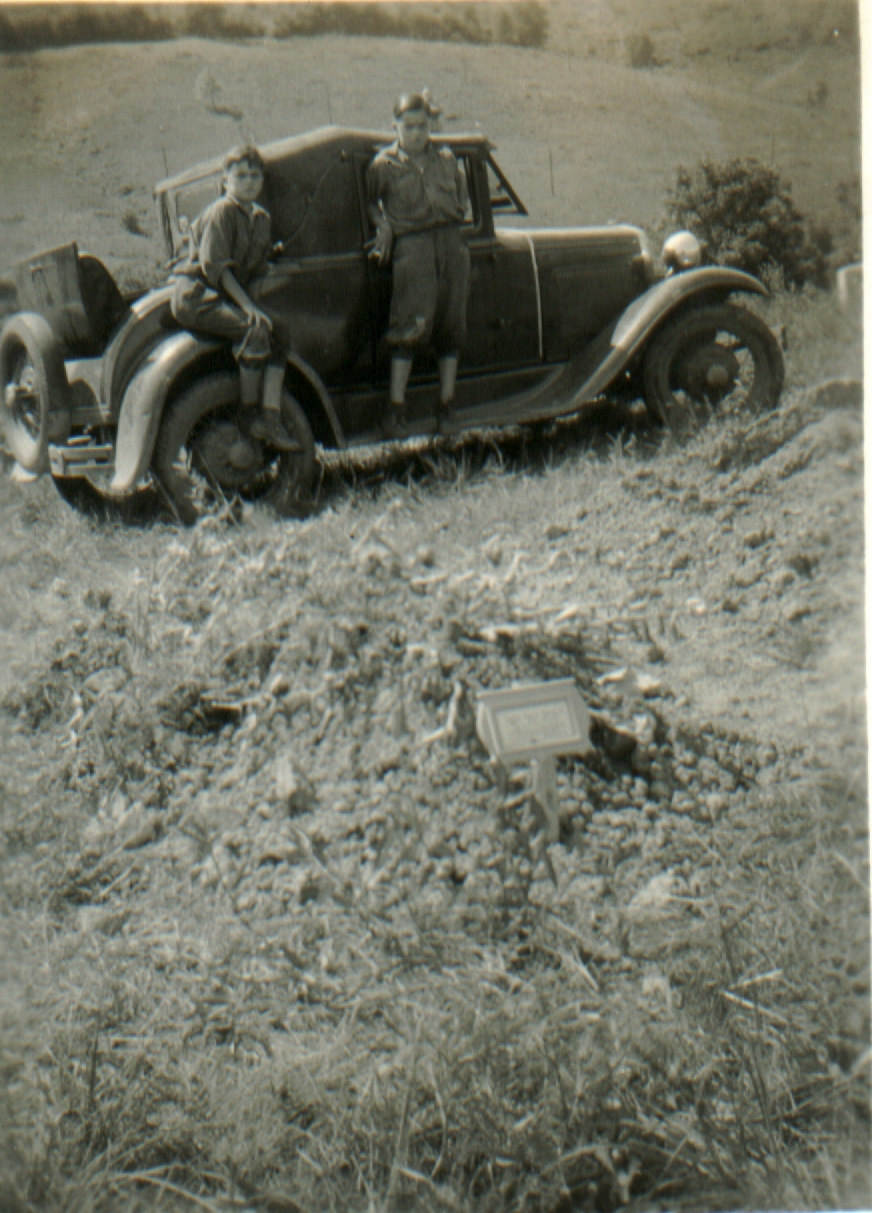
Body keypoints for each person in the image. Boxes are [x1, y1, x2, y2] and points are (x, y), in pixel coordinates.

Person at [170, 144, 299, 451]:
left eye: (255, 175)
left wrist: (257, 307)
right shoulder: (222, 212)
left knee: (278, 330)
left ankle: (270, 414)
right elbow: (217, 269)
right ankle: (248, 412)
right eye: (240, 175)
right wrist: (248, 309)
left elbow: (253, 272)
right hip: (198, 296)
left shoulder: (260, 218)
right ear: (225, 181)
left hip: (227, 297)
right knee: (251, 329)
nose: (249, 181)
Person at [367, 92, 470, 436]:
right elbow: (371, 203)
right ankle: (395, 410)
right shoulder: (384, 164)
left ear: (430, 125)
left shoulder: (446, 158)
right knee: (409, 326)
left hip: (451, 245)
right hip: (413, 248)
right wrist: (383, 225)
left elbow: (462, 199)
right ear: (394, 126)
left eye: (421, 125)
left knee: (451, 325)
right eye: (407, 126)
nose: (415, 133)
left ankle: (448, 405)